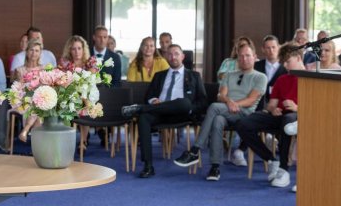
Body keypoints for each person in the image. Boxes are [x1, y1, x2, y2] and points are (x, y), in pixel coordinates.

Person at [174, 44, 266, 181]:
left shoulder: (260, 77)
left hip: (246, 114)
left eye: (248, 55)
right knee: (217, 120)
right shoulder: (229, 75)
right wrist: (229, 101)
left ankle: (195, 150)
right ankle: (215, 167)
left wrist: (233, 103)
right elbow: (220, 96)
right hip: (226, 111)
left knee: (214, 107)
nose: (244, 58)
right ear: (237, 58)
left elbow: (251, 100)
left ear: (254, 57)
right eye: (241, 56)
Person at [121, 44, 206, 178]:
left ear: (183, 56)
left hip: (181, 114)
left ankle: (139, 108)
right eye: (170, 54)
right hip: (159, 113)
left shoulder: (194, 76)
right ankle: (148, 165)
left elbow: (202, 101)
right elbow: (148, 96)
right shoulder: (159, 75)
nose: (173, 57)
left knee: (184, 102)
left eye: (176, 54)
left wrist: (190, 109)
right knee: (143, 118)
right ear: (166, 57)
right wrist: (154, 101)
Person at [235, 43, 305, 188]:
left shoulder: (312, 78)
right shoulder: (282, 79)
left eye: (288, 61)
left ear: (298, 58)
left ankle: (284, 170)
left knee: (287, 122)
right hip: (280, 117)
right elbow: (272, 104)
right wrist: (273, 109)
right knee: (243, 124)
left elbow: (318, 107)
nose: (285, 65)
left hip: (300, 117)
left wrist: (297, 108)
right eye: (283, 62)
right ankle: (272, 160)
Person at [10, 40, 49, 143]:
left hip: (40, 100)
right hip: (23, 100)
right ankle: (37, 146)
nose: (34, 53)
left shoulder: (45, 68)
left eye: (37, 50)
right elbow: (18, 89)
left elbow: (47, 87)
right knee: (36, 106)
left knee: (38, 104)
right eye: (31, 50)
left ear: (40, 53)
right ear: (26, 52)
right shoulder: (19, 70)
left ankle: (25, 130)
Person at [254, 35, 287, 103]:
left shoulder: (286, 67)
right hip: (258, 106)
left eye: (273, 47)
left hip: (279, 106)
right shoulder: (256, 66)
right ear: (263, 49)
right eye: (268, 48)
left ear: (279, 47)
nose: (271, 50)